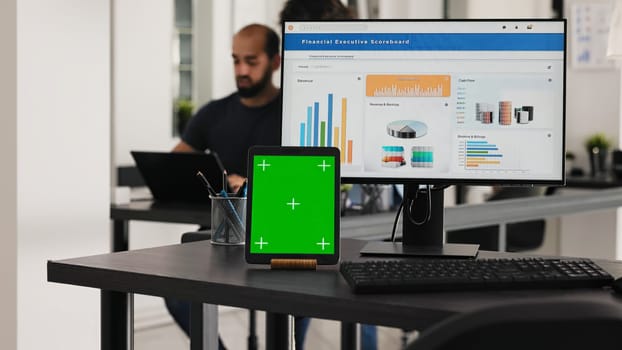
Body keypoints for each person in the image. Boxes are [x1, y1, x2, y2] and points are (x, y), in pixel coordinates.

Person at [167, 23, 289, 350]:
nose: (241, 70)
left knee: (298, 298)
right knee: (178, 294)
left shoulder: (294, 113)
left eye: (251, 61)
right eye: (236, 60)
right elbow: (174, 163)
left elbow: (308, 176)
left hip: (281, 230)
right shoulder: (214, 113)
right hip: (219, 234)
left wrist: (253, 183)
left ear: (275, 62)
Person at [278, 2, 378, 350]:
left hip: (363, 213)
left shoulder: (364, 88)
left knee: (365, 304)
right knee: (297, 301)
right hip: (309, 209)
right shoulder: (296, 98)